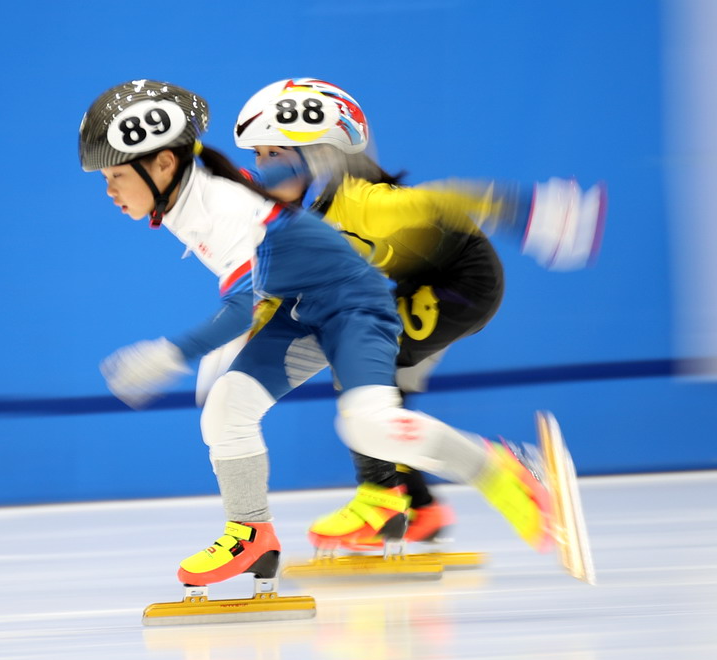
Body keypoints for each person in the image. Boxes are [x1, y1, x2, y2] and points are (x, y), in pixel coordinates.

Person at [79, 79, 555, 588]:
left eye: (116, 175)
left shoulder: (223, 204)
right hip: (300, 310)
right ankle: (251, 534)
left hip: (355, 306)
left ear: (163, 164)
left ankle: (501, 469)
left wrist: (174, 352)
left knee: (370, 425)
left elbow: (243, 305)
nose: (108, 191)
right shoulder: (184, 199)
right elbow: (255, 289)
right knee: (226, 409)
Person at [230, 77, 607, 552]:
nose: (261, 167)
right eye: (258, 154)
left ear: (321, 156)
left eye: (273, 153)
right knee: (382, 397)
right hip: (419, 284)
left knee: (357, 366)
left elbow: (443, 199)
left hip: (462, 282)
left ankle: (400, 496)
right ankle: (418, 508)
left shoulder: (363, 204)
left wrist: (532, 213)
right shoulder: (304, 217)